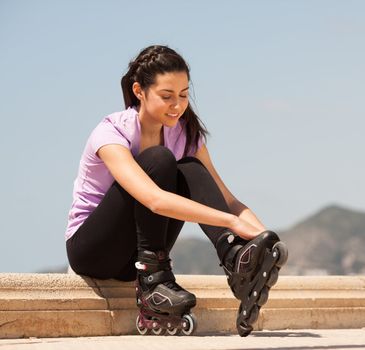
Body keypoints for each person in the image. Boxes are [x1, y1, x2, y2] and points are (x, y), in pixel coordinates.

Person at [65, 45, 287, 337]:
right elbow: (153, 200)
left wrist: (260, 239)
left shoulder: (184, 134)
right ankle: (153, 283)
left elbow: (227, 200)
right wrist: (231, 222)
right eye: (167, 96)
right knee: (159, 159)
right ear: (139, 91)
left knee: (192, 168)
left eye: (183, 95)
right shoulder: (111, 132)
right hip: (92, 251)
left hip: (134, 256)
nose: (178, 106)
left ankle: (232, 257)